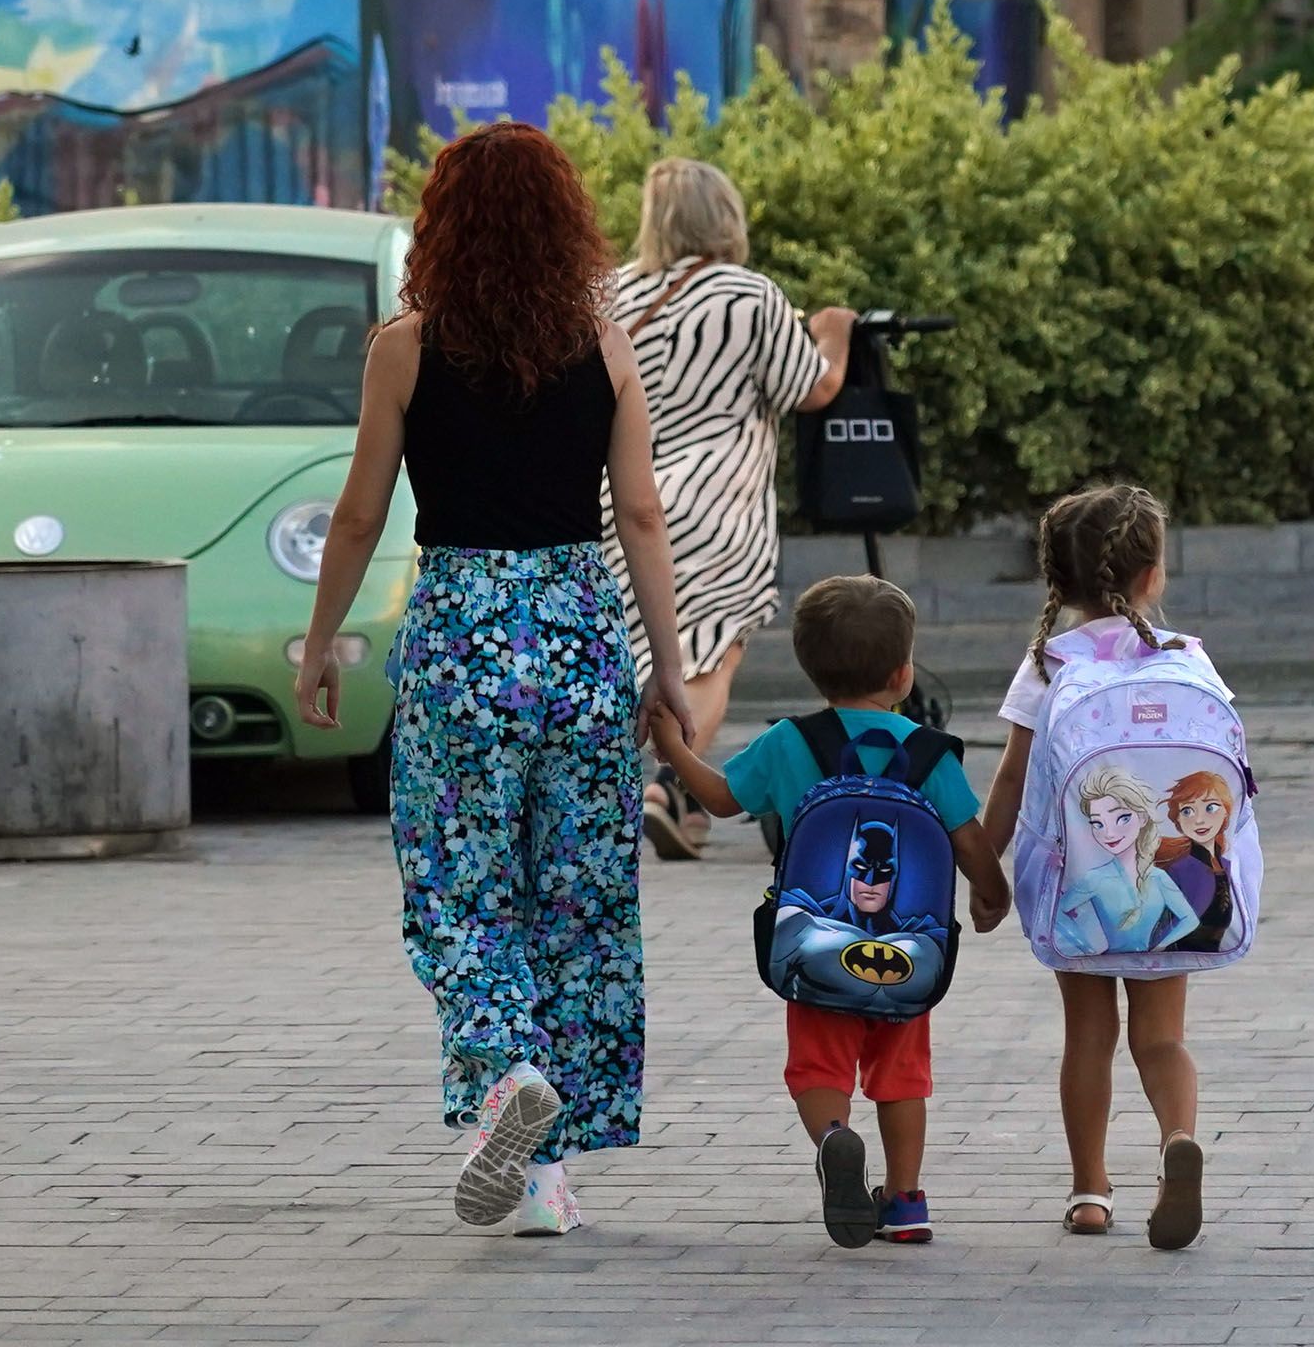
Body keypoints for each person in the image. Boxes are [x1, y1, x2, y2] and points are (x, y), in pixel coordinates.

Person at [294, 121, 691, 1238]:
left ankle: (507, 1076)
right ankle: (543, 1172)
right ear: (564, 223)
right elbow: (644, 513)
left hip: (462, 634)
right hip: (576, 630)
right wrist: (665, 665)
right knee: (575, 898)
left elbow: (363, 511)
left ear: (443, 223)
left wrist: (322, 640)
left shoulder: (403, 346)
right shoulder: (604, 344)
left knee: (459, 889)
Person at [649, 575, 1012, 1247]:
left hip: (815, 948)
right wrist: (994, 892)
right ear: (903, 674)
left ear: (810, 668)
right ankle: (905, 1201)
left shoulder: (791, 742)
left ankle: (835, 1139)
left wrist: (674, 751)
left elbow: (723, 802)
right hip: (908, 953)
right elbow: (969, 840)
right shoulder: (931, 754)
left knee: (819, 1068)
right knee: (902, 1074)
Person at [981, 485, 1222, 1250]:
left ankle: (1090, 1190)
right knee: (1161, 1039)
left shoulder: (1051, 664)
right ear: (1153, 575)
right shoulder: (1185, 657)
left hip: (1078, 889)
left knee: (1087, 1035)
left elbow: (1014, 779)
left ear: (1059, 579)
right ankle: (1176, 1140)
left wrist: (984, 869)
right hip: (1166, 888)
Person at [603, 156, 856, 860]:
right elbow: (814, 387)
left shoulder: (610, 293)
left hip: (618, 502)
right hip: (720, 508)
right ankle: (669, 786)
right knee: (708, 654)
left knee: (634, 650)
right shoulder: (750, 296)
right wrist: (834, 330)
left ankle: (629, 800)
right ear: (726, 217)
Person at [1056, 766, 1200, 957]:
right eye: (1097, 824)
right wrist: (1088, 945)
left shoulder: (1157, 878)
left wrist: (1159, 947)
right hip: (1102, 960)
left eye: (1123, 818)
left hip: (1150, 961)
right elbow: (1057, 914)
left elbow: (1190, 919)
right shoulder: (1095, 879)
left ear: (1142, 818)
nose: (1109, 833)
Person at [1157, 771, 1238, 953]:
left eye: (1211, 808)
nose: (1199, 820)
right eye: (1187, 811)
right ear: (1177, 819)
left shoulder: (1225, 863)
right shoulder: (1180, 869)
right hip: (1173, 953)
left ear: (1227, 810)